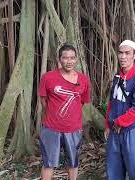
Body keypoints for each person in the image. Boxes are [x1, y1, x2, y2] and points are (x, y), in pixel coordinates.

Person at [38, 44, 91, 180]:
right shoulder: (48, 77)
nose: (69, 61)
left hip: (73, 128)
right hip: (51, 128)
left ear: (76, 59)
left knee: (73, 162)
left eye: (72, 58)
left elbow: (82, 102)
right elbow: (44, 101)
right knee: (48, 163)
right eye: (65, 58)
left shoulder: (83, 80)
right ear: (59, 59)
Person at [104, 40, 135, 180]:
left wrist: (119, 122)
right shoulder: (117, 77)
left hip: (132, 131)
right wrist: (107, 125)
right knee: (113, 171)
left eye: (127, 53)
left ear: (134, 55)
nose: (123, 56)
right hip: (114, 131)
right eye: (120, 53)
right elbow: (112, 102)